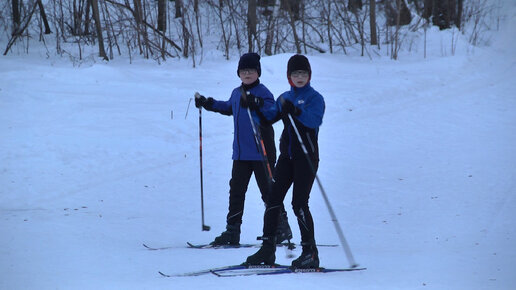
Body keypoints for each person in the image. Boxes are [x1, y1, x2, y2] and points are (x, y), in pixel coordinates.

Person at [195, 52, 292, 246]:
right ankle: (232, 231)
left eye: (251, 70)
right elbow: (227, 107)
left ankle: (281, 228)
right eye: (243, 70)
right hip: (240, 154)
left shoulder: (263, 92)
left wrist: (257, 104)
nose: (247, 74)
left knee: (269, 192)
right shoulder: (236, 93)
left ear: (258, 72)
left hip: (261, 152)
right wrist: (208, 103)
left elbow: (271, 111)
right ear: (238, 73)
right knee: (236, 191)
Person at [244, 54, 325, 268]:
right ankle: (267, 249)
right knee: (273, 199)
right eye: (295, 73)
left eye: (303, 73)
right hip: (287, 158)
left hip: (306, 157)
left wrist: (297, 111)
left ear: (309, 75)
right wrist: (255, 104)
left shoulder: (315, 98)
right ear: (289, 76)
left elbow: (314, 120)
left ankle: (310, 252)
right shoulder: (284, 98)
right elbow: (269, 117)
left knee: (299, 203)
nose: (299, 77)